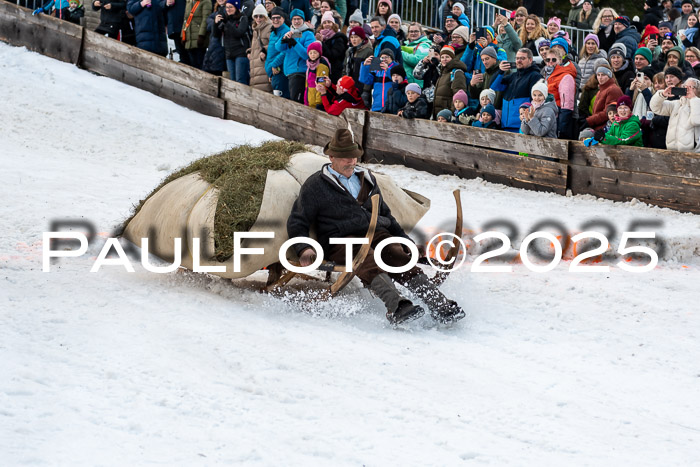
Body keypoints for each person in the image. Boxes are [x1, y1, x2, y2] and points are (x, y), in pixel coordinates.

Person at [287, 129, 466, 325]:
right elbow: (298, 220)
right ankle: (397, 306)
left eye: (354, 157)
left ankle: (439, 305)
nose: (352, 162)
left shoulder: (367, 178)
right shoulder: (316, 185)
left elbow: (386, 214)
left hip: (377, 233)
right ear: (331, 157)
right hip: (341, 240)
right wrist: (303, 248)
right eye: (346, 158)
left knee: (397, 254)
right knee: (367, 258)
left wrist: (404, 240)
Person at [490, 48, 543, 132]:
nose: (519, 61)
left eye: (522, 58)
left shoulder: (535, 76)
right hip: (505, 125)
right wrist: (500, 71)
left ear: (530, 60)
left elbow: (535, 101)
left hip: (522, 126)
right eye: (517, 58)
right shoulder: (513, 76)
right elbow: (494, 86)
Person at [650, 76, 700, 150]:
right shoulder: (676, 104)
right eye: (685, 87)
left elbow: (696, 121)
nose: (687, 89)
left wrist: (693, 99)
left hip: (692, 152)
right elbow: (655, 108)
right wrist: (662, 95)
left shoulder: (697, 104)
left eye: (691, 87)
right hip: (672, 150)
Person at [277, 9, 315, 103]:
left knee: (296, 102)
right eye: (294, 19)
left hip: (300, 73)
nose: (296, 21)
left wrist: (294, 43)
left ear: (303, 20)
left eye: (299, 19)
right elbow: (278, 48)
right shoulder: (291, 33)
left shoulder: (308, 34)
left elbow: (307, 55)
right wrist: (283, 39)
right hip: (288, 73)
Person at [580, 65, 623, 137]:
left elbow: (608, 113)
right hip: (598, 127)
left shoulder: (613, 89)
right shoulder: (601, 90)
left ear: (609, 76)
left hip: (607, 129)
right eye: (598, 75)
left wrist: (589, 121)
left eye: (603, 75)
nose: (600, 77)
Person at [215, 0, 250, 84]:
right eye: (227, 7)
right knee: (232, 81)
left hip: (241, 53)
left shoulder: (243, 18)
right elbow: (215, 35)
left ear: (236, 8)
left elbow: (238, 33)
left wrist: (226, 23)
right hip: (229, 54)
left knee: (240, 80)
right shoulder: (225, 19)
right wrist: (215, 23)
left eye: (231, 7)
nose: (228, 9)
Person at [545, 49, 576, 139]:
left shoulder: (566, 76)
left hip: (558, 117)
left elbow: (567, 104)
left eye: (554, 60)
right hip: (547, 117)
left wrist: (561, 128)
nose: (550, 62)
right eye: (548, 60)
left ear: (560, 60)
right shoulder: (547, 74)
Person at [432, 45, 467, 118]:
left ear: (452, 58)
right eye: (442, 57)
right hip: (440, 115)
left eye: (447, 57)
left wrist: (452, 114)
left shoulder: (457, 72)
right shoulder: (443, 72)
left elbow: (459, 95)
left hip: (447, 115)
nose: (444, 59)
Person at [344, 26, 373, 103]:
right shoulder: (349, 51)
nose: (353, 39)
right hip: (350, 86)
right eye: (352, 37)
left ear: (362, 38)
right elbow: (344, 67)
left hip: (362, 86)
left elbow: (370, 71)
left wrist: (366, 90)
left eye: (356, 37)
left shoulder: (368, 51)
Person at [317, 10, 348, 83]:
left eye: (329, 22)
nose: (327, 24)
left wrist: (322, 43)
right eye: (324, 23)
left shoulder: (338, 38)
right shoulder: (320, 36)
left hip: (334, 73)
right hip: (322, 71)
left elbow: (333, 55)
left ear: (333, 24)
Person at [266, 8, 290, 98]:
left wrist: (274, 64)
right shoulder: (273, 32)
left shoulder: (286, 31)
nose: (276, 20)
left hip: (280, 70)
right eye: (273, 18)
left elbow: (286, 51)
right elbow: (271, 53)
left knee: (281, 97)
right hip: (273, 71)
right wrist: (270, 72)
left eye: (278, 18)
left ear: (283, 18)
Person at [249, 4, 272, 91]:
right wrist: (249, 51)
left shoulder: (269, 27)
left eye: (261, 16)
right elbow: (255, 46)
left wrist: (265, 50)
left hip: (263, 63)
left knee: (265, 89)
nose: (258, 18)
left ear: (265, 17)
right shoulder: (255, 29)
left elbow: (274, 44)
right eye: (256, 16)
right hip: (255, 65)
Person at [203, 0, 227, 75]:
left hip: (221, 46)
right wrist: (214, 22)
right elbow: (208, 22)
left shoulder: (226, 10)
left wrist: (214, 23)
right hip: (213, 46)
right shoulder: (217, 10)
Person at [305, 41, 331, 108]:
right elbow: (307, 84)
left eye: (315, 52)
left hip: (317, 100)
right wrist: (306, 99)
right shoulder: (309, 66)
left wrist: (318, 101)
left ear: (319, 53)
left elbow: (321, 84)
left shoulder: (321, 66)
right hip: (310, 98)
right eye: (310, 53)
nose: (312, 55)